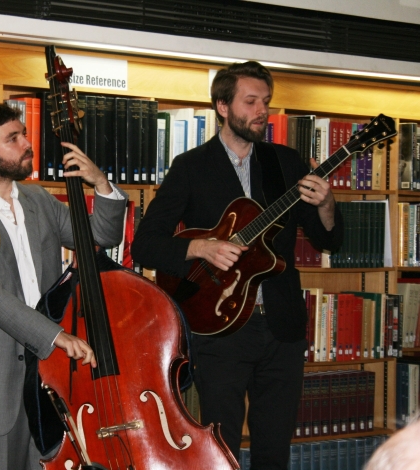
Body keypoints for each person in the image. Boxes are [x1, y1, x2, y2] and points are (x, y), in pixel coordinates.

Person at [131, 61, 344, 469]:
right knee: (221, 445)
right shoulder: (191, 167)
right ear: (223, 107)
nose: (262, 110)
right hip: (219, 328)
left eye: (265, 101)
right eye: (251, 101)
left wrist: (328, 204)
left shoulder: (286, 162)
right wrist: (201, 249)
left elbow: (327, 239)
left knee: (274, 447)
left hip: (282, 326)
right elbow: (145, 245)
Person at [0, 103, 127, 470]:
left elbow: (102, 235)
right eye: (14, 138)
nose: (28, 143)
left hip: (46, 383)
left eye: (24, 133)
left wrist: (101, 183)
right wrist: (56, 336)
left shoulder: (38, 199)